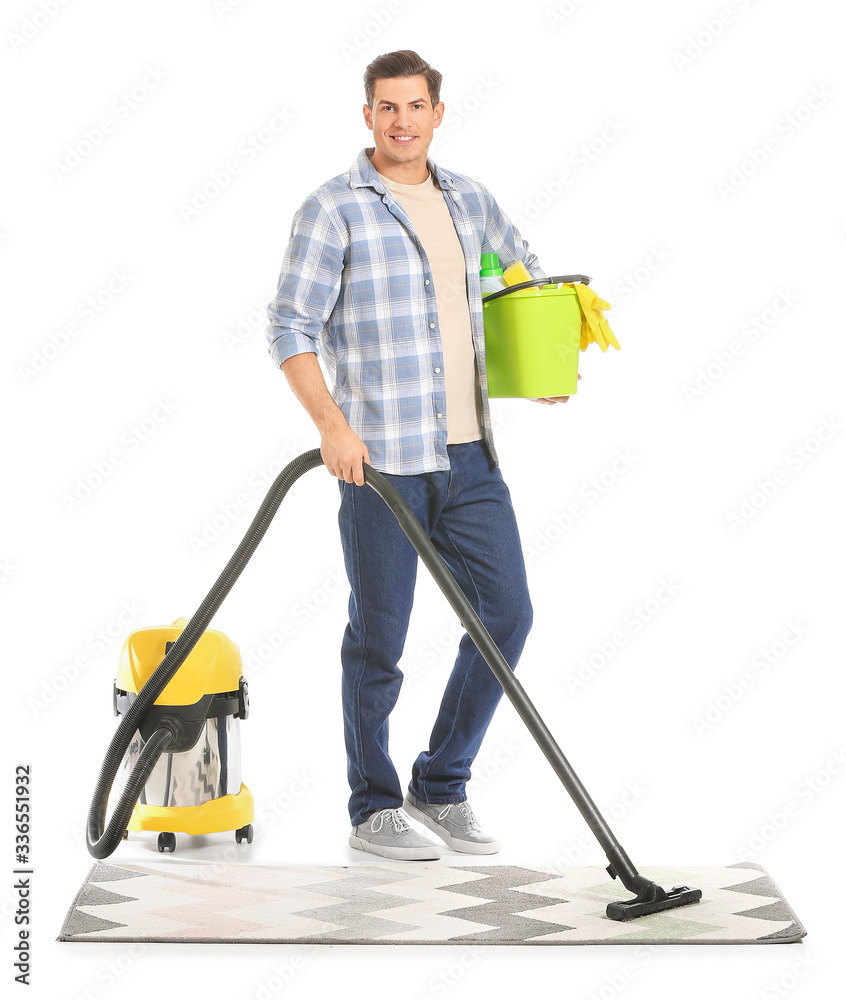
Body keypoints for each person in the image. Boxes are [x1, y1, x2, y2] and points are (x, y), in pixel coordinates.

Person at [265, 50, 576, 861]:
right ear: (367, 115)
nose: (401, 121)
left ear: (438, 112)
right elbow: (290, 326)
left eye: (415, 106)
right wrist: (332, 425)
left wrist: (540, 358)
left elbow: (521, 274)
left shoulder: (471, 200)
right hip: (381, 465)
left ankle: (439, 784)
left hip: (470, 458)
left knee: (507, 616)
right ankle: (373, 807)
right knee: (380, 639)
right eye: (386, 107)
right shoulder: (333, 209)